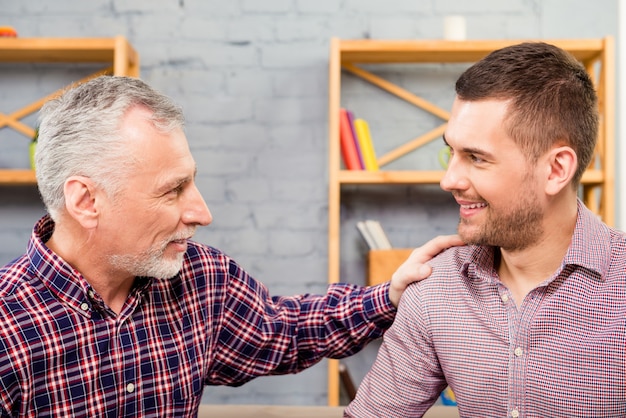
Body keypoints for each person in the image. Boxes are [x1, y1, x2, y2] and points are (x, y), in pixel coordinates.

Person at [0, 75, 462, 417]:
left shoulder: (200, 279)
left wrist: (391, 294)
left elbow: (286, 329)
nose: (202, 212)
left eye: (192, 182)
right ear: (86, 201)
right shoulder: (8, 328)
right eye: (172, 190)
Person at [345, 42, 626, 417]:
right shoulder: (436, 287)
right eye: (452, 153)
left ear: (557, 170)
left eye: (476, 158)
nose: (448, 180)